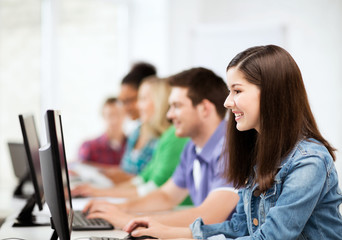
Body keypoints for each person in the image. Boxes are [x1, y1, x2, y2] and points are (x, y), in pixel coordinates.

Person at [123, 45, 342, 239]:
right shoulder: (258, 152)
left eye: (237, 91)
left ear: (270, 93)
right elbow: (240, 228)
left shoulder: (309, 162)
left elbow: (271, 237)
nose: (228, 102)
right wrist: (167, 232)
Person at [82, 67, 240, 229]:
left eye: (177, 106)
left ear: (204, 109)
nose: (169, 115)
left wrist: (131, 220)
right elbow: (167, 195)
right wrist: (119, 209)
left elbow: (211, 215)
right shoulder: (192, 147)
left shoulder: (231, 149)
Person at [72, 76, 170, 195]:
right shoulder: (136, 134)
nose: (137, 106)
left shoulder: (167, 139)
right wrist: (97, 191)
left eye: (143, 99)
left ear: (159, 101)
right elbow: (141, 181)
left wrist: (101, 193)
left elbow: (151, 187)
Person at [78, 97, 126, 166]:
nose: (115, 120)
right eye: (110, 115)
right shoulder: (89, 147)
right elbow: (77, 170)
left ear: (124, 115)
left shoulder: (133, 146)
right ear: (103, 117)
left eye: (118, 114)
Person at [119, 62, 157, 137]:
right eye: (122, 101)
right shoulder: (134, 134)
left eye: (129, 100)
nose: (125, 108)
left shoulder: (161, 135)